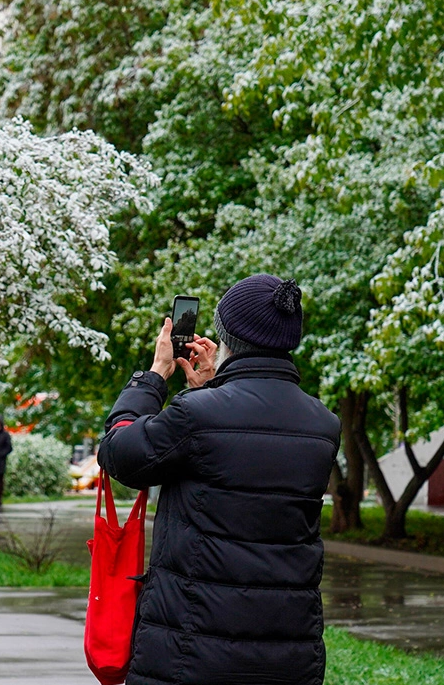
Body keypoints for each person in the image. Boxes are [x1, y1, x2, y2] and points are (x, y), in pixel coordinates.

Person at [98, 274, 340, 685]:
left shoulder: (197, 416)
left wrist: (154, 377)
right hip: (288, 655)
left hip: (192, 653)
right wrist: (214, 389)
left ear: (227, 336)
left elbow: (119, 453)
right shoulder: (323, 423)